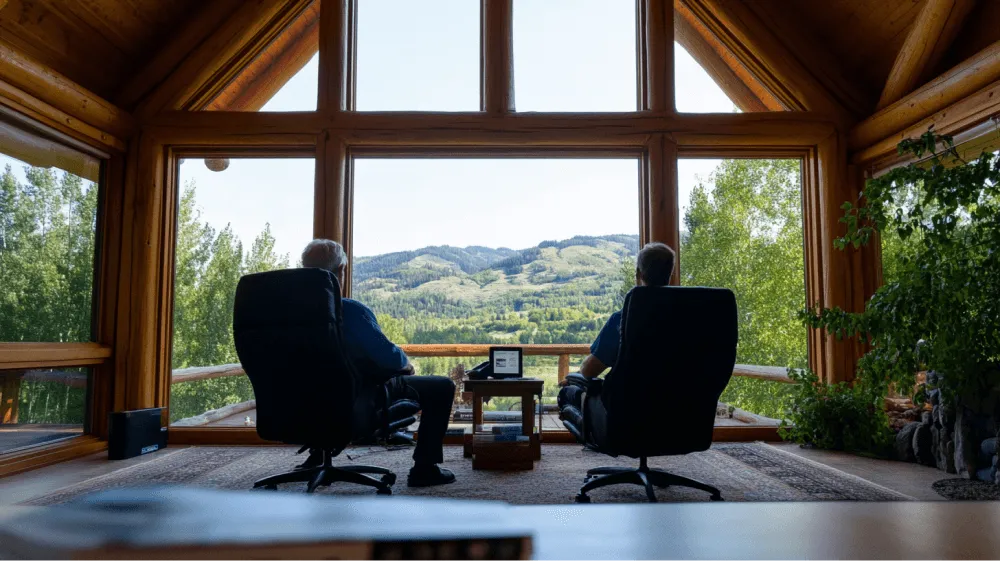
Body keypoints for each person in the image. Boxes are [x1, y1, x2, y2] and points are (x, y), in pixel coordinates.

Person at [300, 239, 456, 487]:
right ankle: (425, 469)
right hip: (354, 404)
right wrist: (406, 365)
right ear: (341, 271)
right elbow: (390, 359)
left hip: (295, 408)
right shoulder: (348, 311)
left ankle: (318, 453)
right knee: (442, 386)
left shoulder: (285, 315)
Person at [557, 242, 676, 443]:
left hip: (624, 415)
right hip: (678, 413)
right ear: (670, 275)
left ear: (639, 274)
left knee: (567, 392)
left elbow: (588, 371)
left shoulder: (624, 320)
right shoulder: (689, 321)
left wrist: (573, 379)